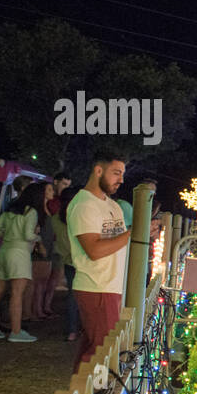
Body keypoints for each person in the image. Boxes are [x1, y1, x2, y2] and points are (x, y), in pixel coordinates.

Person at [68, 150, 130, 366]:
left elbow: (120, 242)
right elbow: (93, 251)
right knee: (103, 349)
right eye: (116, 173)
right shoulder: (83, 205)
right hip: (96, 285)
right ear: (98, 170)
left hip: (110, 285)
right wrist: (133, 232)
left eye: (122, 174)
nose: (121, 180)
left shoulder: (112, 205)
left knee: (95, 346)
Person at [0, 181, 46, 343]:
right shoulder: (31, 212)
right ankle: (16, 331)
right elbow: (28, 235)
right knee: (17, 294)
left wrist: (8, 233)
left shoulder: (10, 210)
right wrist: (39, 238)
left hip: (4, 250)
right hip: (20, 253)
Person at [53, 186, 81, 341]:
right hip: (82, 260)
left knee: (72, 294)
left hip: (67, 260)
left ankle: (71, 330)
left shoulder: (56, 218)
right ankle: (82, 327)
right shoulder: (78, 216)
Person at [28, 181, 58, 320]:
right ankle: (35, 310)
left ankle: (37, 309)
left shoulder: (45, 210)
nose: (53, 192)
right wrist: (39, 245)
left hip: (47, 248)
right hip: (40, 250)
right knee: (37, 282)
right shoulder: (37, 212)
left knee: (42, 281)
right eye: (50, 189)